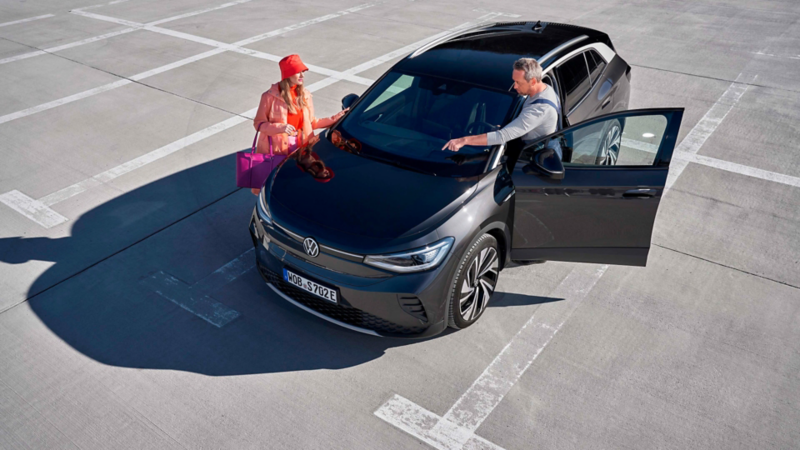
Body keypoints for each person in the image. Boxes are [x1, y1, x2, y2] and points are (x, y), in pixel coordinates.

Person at [251, 54, 348, 194]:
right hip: (277, 149)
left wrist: (334, 118)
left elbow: (312, 123)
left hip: (302, 147)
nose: (302, 75)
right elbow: (258, 124)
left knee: (297, 182)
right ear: (288, 74)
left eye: (303, 71)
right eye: (298, 72)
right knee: (275, 184)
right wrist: (280, 128)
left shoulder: (305, 95)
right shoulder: (269, 97)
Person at [442, 58, 561, 158]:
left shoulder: (540, 109)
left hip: (540, 155)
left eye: (518, 82)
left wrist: (463, 140)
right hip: (530, 141)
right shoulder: (545, 88)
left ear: (533, 81)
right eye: (514, 81)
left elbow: (502, 136)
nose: (515, 86)